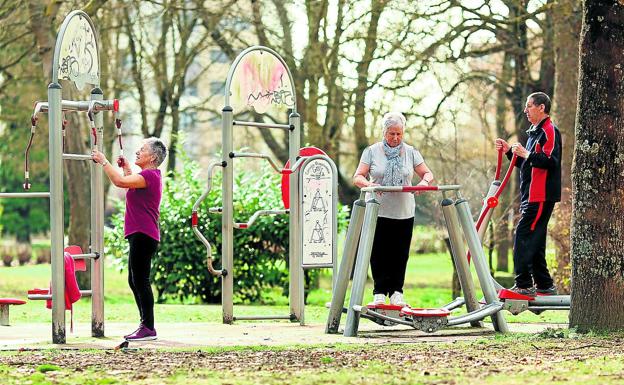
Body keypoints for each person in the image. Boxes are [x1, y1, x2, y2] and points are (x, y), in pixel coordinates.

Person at [353, 112, 434, 306]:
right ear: (384, 132)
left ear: (403, 132)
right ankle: (379, 292)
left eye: (399, 134)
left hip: (404, 210)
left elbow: (427, 173)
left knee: (400, 253)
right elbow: (358, 177)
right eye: (391, 134)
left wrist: (423, 183)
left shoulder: (411, 152)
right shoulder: (372, 151)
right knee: (379, 251)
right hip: (378, 210)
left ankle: (397, 292)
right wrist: (370, 185)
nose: (395, 138)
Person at [92, 137, 167, 341]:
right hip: (140, 234)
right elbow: (130, 184)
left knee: (140, 280)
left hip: (144, 234)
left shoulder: (150, 175)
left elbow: (120, 182)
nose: (137, 152)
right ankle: (145, 325)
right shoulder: (146, 176)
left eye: (142, 150)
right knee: (134, 280)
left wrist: (103, 161)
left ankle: (148, 328)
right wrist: (126, 167)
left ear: (152, 157)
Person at [495, 92, 561, 297]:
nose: (525, 110)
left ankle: (524, 284)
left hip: (540, 196)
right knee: (535, 239)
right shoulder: (534, 132)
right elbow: (528, 165)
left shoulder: (550, 131)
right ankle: (544, 284)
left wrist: (527, 153)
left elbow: (551, 161)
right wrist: (509, 152)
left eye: (529, 106)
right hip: (530, 195)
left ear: (542, 107)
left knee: (523, 235)